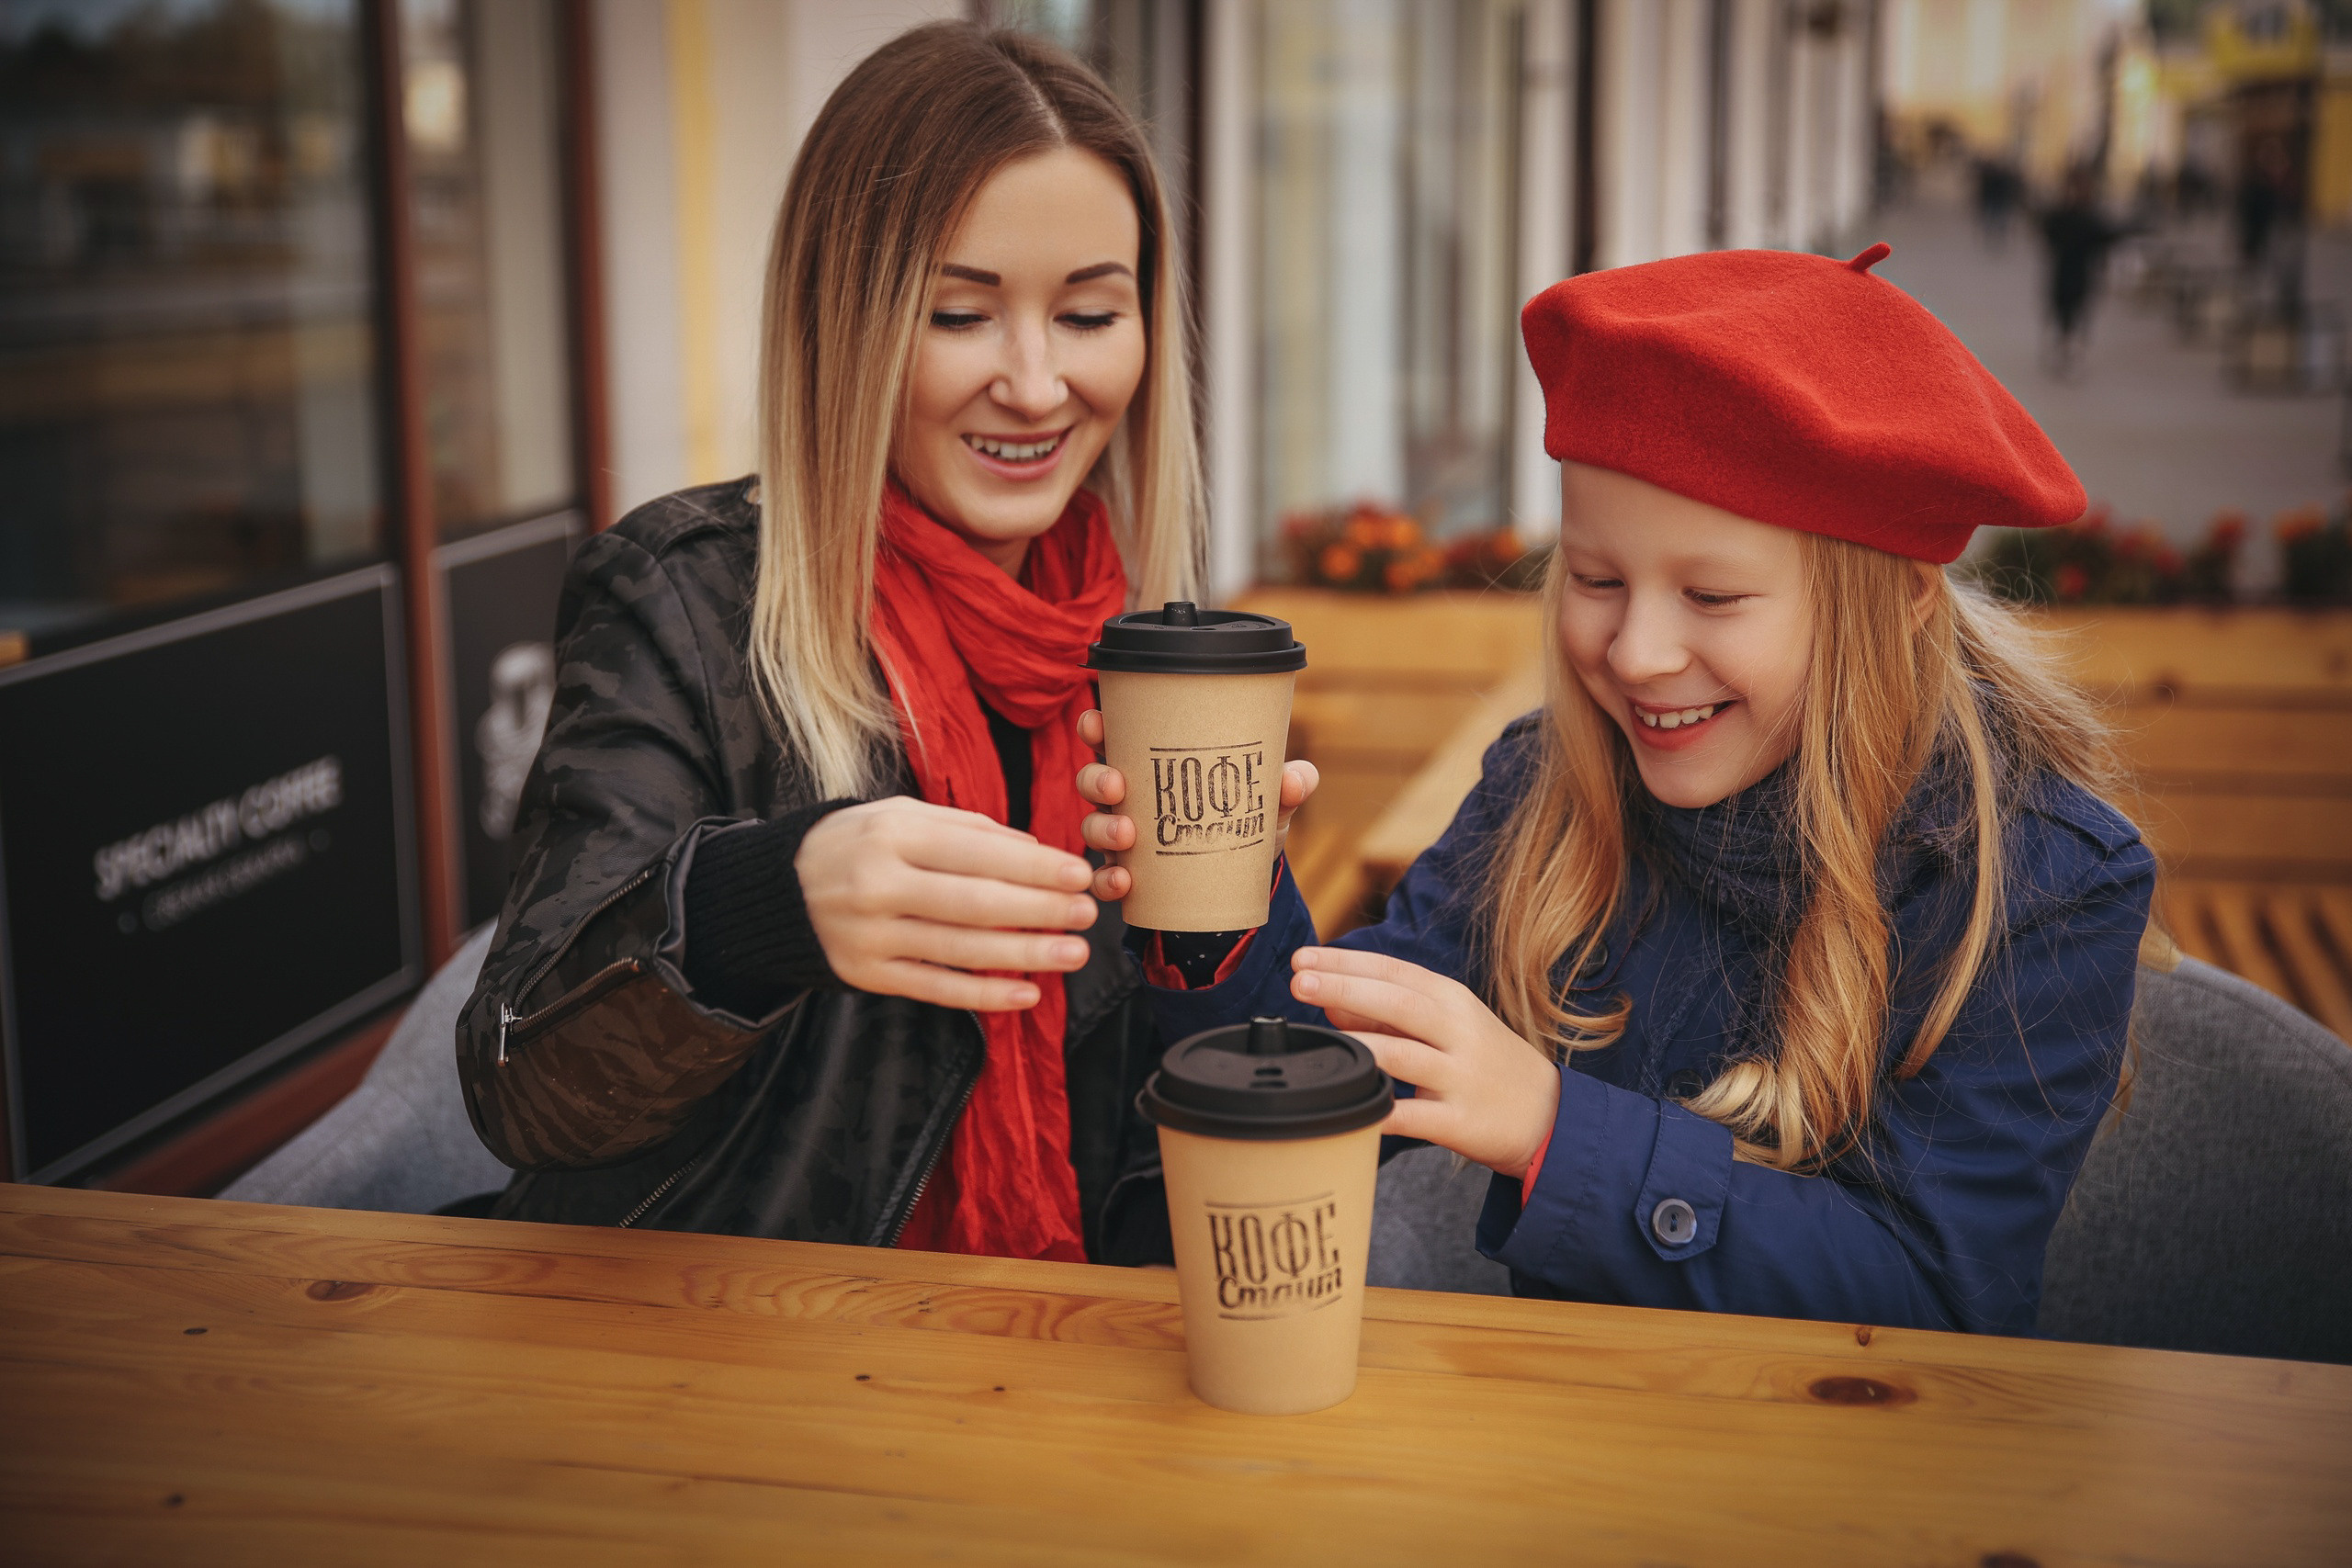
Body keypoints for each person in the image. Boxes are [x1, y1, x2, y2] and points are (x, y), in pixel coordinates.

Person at [1080, 244, 2156, 1335]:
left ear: (1898, 609)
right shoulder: (1543, 789)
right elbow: (1328, 1076)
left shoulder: (2045, 886)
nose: (1638, 653)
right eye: (1595, 580)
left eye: (1711, 594)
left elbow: (1934, 1296)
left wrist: (1557, 1129)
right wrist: (1222, 891)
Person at [456, 23, 1215, 1266]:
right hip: (730, 1354)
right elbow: (518, 1078)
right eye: (961, 314)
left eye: (1088, 312)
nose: (1036, 384)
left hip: (1063, 1353)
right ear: (842, 319)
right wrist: (760, 906)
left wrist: (1240, 917)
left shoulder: (1143, 644)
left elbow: (1176, 1113)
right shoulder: (684, 602)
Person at [2037, 165, 2127, 375]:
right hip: (2065, 270)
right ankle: (2065, 349)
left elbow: (2105, 237)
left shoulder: (2083, 215)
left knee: (2076, 312)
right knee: (2064, 311)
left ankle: (2069, 350)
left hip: (2079, 272)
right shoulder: (2068, 214)